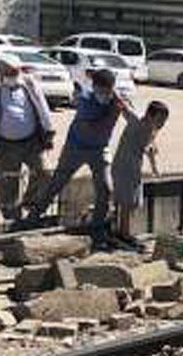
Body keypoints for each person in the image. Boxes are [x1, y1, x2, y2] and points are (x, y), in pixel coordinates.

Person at [30, 68, 122, 246]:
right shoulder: (86, 100)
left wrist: (116, 104)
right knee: (57, 183)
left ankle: (97, 227)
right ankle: (33, 217)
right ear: (95, 88)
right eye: (102, 91)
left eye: (109, 91)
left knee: (105, 188)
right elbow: (94, 127)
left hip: (99, 149)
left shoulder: (114, 100)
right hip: (75, 148)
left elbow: (125, 110)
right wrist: (112, 114)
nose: (106, 95)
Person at [0, 53, 56, 228]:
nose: (13, 76)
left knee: (45, 172)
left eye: (15, 72)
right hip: (4, 144)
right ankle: (13, 220)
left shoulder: (29, 83)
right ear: (0, 71)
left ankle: (29, 201)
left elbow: (42, 106)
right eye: (9, 73)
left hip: (31, 141)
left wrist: (49, 131)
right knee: (6, 184)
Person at [109, 100, 169, 248]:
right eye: (160, 119)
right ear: (149, 115)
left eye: (164, 121)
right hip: (124, 165)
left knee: (132, 201)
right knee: (126, 201)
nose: (162, 123)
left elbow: (150, 149)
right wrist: (116, 97)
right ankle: (123, 233)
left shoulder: (151, 129)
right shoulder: (137, 121)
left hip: (134, 166)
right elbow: (124, 108)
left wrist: (154, 168)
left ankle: (123, 230)